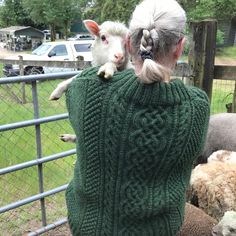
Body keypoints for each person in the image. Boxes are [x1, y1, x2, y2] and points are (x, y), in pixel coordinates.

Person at [65, 0, 210, 235]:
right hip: (157, 230)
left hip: (88, 226)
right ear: (180, 46)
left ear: (128, 43)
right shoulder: (196, 108)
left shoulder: (87, 87)